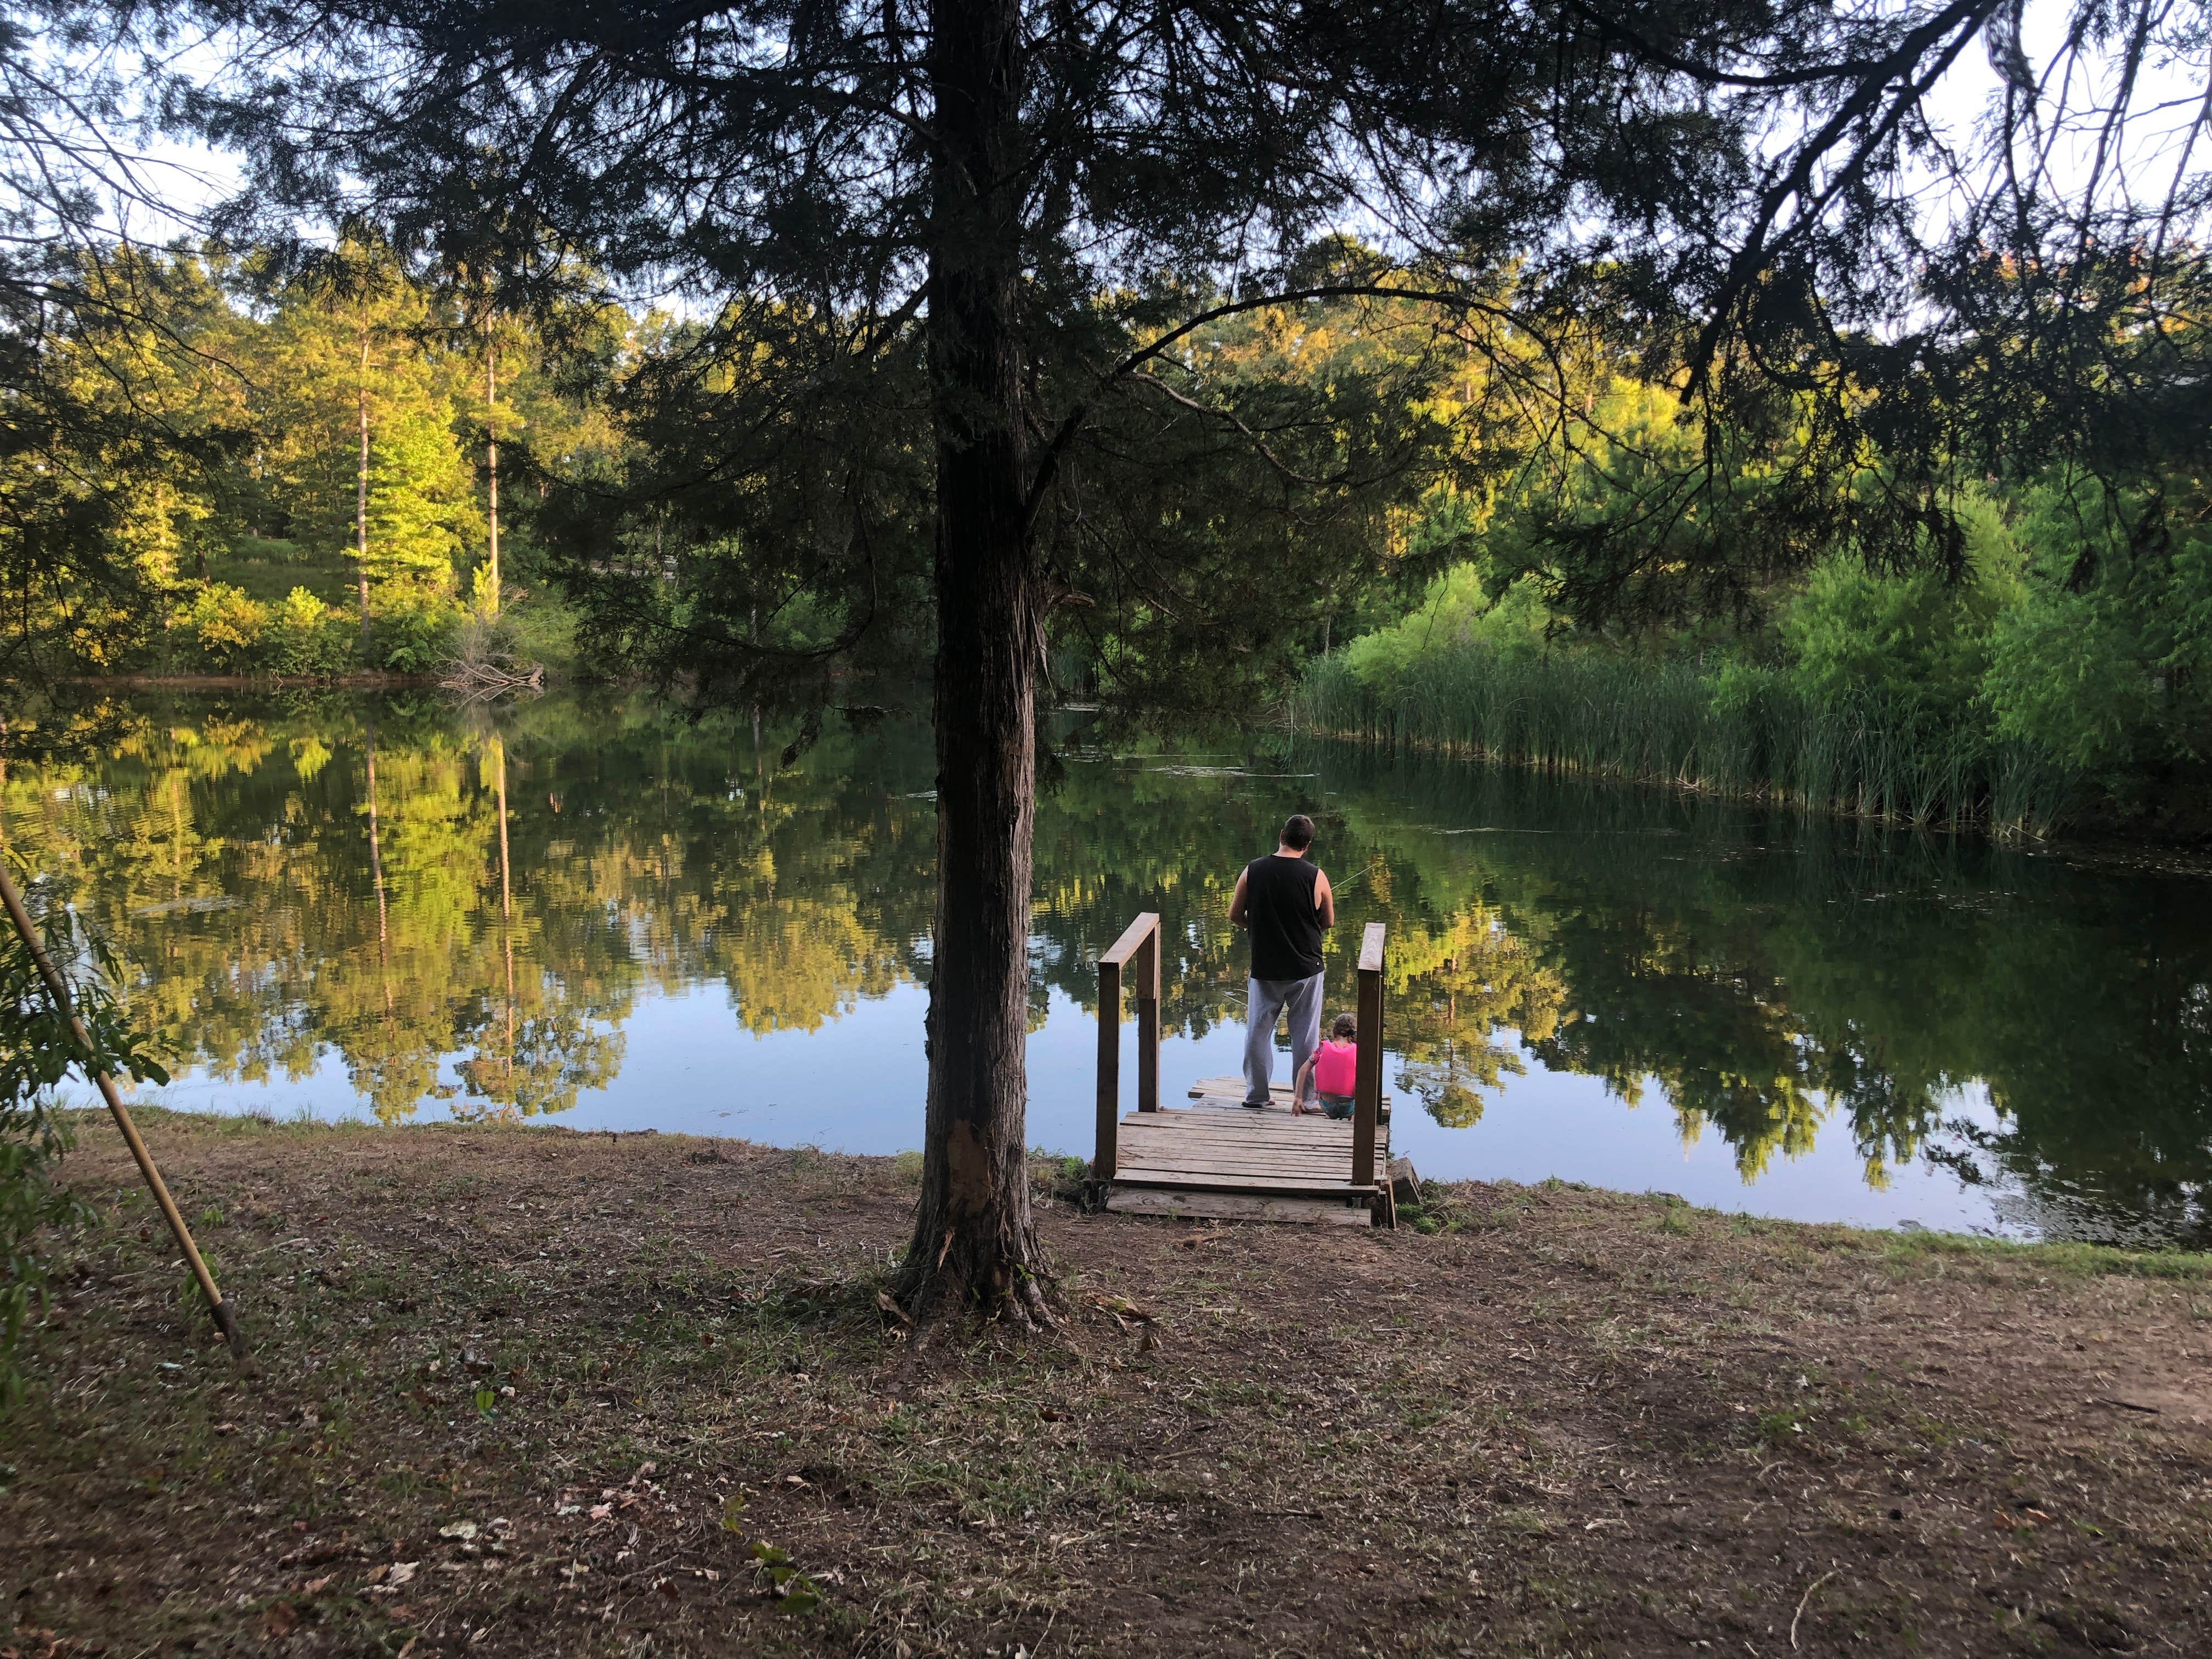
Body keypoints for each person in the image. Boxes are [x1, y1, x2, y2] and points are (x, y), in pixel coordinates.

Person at [1228, 813, 1335, 1109]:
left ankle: (1257, 1096)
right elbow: (1328, 921)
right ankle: (1310, 1099)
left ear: (1281, 834)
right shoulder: (1317, 875)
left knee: (1258, 1032)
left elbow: (1235, 915)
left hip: (1265, 967)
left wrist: (1259, 926)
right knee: (1306, 1036)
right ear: (1308, 845)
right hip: (1307, 968)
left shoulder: (1252, 871)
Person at [1293, 1013, 1360, 1118]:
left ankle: (1332, 1115)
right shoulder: (1357, 1051)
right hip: (1349, 1106)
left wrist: (1298, 1098)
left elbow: (1302, 1070)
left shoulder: (1322, 1049)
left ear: (1334, 1032)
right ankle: (1355, 1116)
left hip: (1327, 1107)